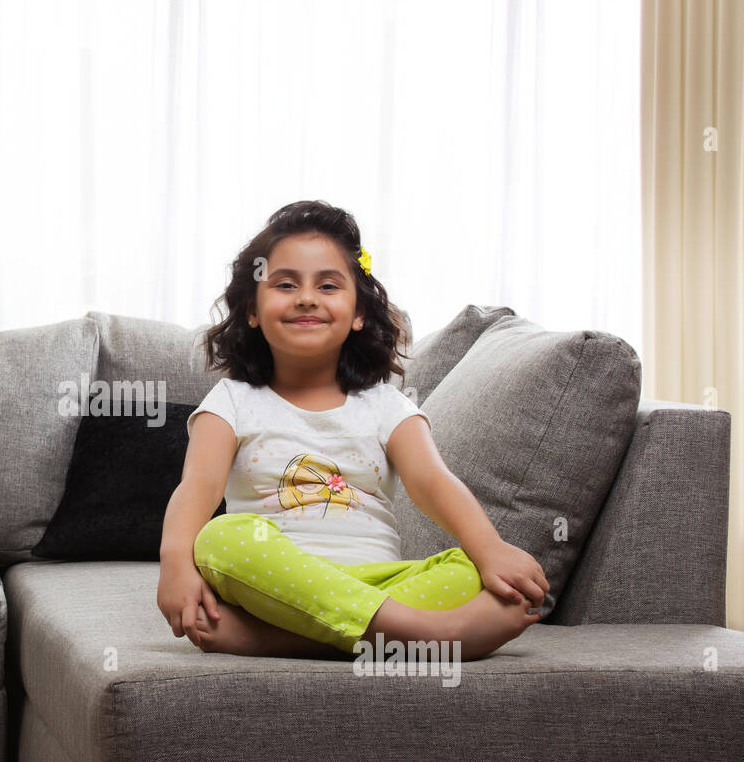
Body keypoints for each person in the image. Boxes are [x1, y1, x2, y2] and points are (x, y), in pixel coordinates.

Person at [157, 199, 547, 661]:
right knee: (221, 539)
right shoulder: (232, 401)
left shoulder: (385, 404)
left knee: (472, 571)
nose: (306, 297)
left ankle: (277, 640)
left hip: (380, 581)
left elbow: (433, 482)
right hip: (277, 589)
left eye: (327, 285)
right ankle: (424, 634)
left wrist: (489, 548)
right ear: (252, 311)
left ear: (358, 312)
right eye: (285, 284)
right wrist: (175, 563)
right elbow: (197, 488)